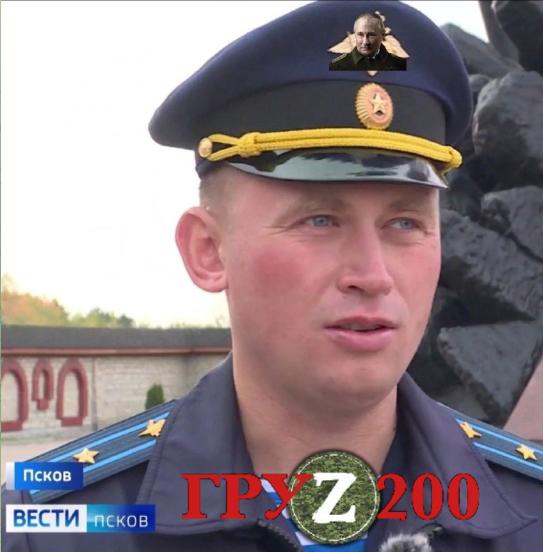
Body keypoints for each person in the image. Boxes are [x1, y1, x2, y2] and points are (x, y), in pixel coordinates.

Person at [3, 1, 542, 551]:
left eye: (405, 223)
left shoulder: (529, 511)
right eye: (320, 220)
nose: (373, 274)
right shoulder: (58, 526)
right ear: (208, 251)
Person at [330, 13, 406, 71]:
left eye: (371, 35)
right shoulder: (337, 66)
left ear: (382, 35)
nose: (365, 42)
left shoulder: (400, 65)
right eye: (360, 35)